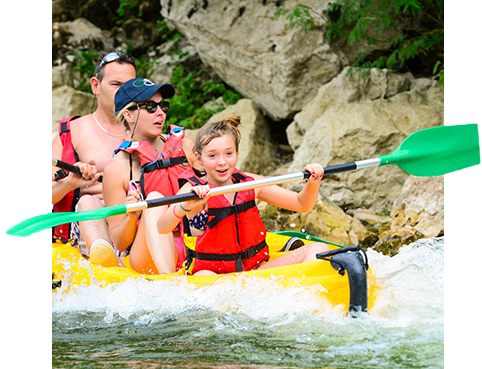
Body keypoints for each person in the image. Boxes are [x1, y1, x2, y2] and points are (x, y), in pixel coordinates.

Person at [157, 115, 330, 276]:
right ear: (199, 159)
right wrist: (185, 205)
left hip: (254, 272)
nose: (222, 162)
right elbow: (162, 227)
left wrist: (313, 183)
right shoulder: (192, 189)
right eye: (212, 156)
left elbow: (301, 204)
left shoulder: (252, 183)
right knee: (205, 274)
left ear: (237, 154)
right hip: (212, 277)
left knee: (317, 248)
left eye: (229, 153)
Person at [34, 51, 137, 258]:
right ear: (95, 86)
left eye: (130, 86)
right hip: (89, 225)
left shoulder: (147, 129)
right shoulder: (74, 132)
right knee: (87, 202)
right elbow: (41, 196)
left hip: (134, 221)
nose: (124, 92)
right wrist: (70, 182)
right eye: (116, 84)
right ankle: (106, 257)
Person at [102, 77, 201, 272]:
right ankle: (169, 282)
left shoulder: (186, 146)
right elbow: (119, 242)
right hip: (147, 257)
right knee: (155, 200)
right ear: (129, 115)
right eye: (150, 107)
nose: (160, 113)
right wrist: (131, 217)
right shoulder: (117, 169)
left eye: (162, 106)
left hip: (193, 242)